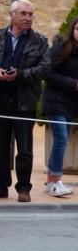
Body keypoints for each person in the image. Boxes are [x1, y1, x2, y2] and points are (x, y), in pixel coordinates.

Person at [0, 0, 50, 203]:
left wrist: (20, 74)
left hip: (24, 103)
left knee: (25, 149)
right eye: (23, 14)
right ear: (12, 15)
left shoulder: (40, 41)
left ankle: (24, 188)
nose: (28, 18)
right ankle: (0, 185)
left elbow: (44, 68)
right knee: (0, 147)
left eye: (30, 14)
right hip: (0, 100)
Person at [42, 17, 78, 197]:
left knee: (60, 140)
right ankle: (56, 181)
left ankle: (50, 182)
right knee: (62, 139)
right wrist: (73, 84)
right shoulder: (61, 48)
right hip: (55, 101)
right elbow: (47, 74)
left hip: (72, 105)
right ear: (72, 30)